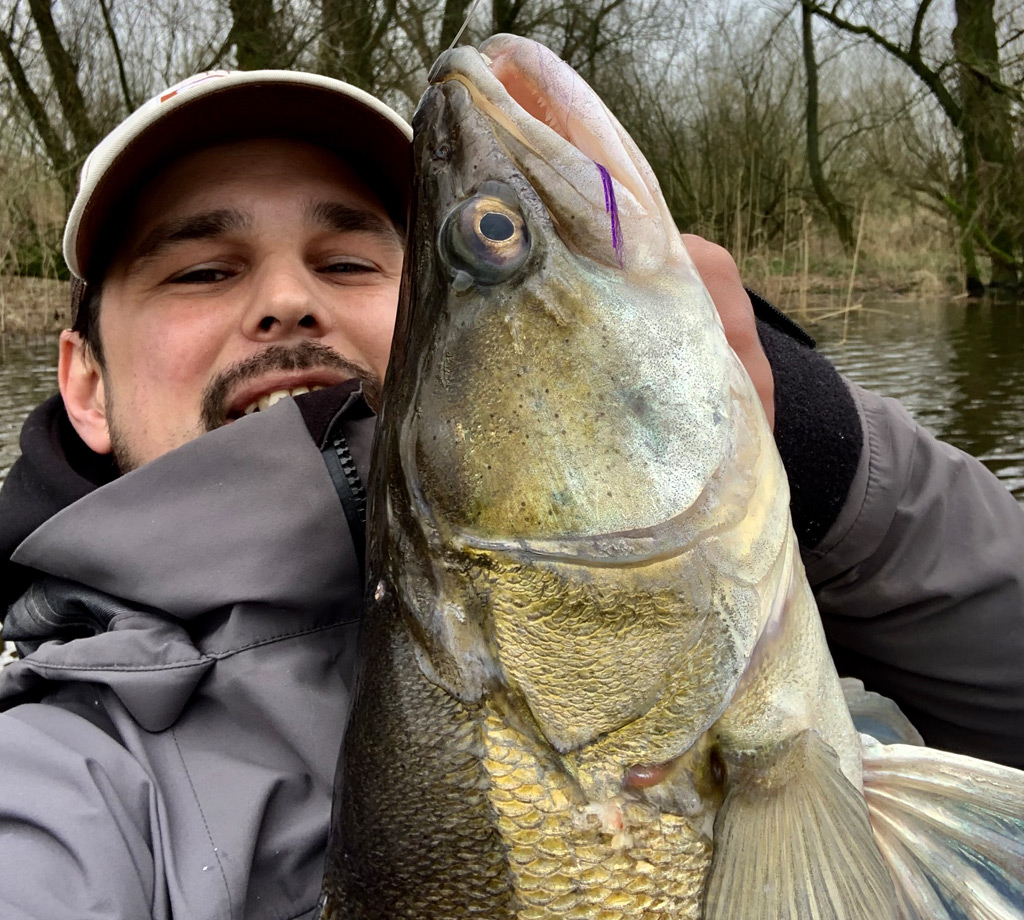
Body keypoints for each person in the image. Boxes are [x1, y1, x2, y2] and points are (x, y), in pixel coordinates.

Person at [0, 68, 1021, 920]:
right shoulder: (49, 788)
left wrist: (821, 449)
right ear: (84, 381)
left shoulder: (786, 606)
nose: (285, 299)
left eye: (348, 256)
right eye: (201, 271)